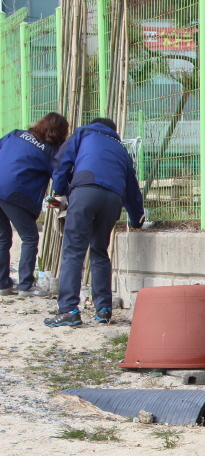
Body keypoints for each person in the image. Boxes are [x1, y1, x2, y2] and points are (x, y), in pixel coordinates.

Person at [45, 118, 145, 327]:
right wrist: (137, 220)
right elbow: (132, 187)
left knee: (74, 251)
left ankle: (68, 310)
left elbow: (63, 161)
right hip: (113, 198)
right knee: (100, 250)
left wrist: (59, 191)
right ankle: (104, 309)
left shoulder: (83, 133)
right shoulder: (120, 148)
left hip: (85, 191)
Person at [0, 112, 70, 298]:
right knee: (30, 238)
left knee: (2, 237)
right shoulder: (51, 151)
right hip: (16, 193)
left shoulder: (14, 134)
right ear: (60, 133)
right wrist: (65, 195)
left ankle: (3, 284)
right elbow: (59, 179)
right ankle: (25, 286)